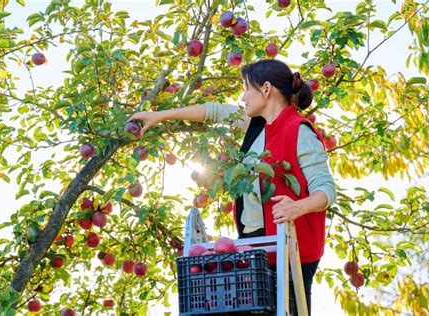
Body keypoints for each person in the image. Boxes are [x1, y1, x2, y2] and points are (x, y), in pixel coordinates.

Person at [129, 59, 336, 315]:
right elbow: (212, 111)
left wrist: (297, 207)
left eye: (246, 88)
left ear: (266, 89)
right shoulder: (257, 125)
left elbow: (326, 189)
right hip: (256, 245)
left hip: (291, 251)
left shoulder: (300, 131)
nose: (243, 96)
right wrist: (161, 116)